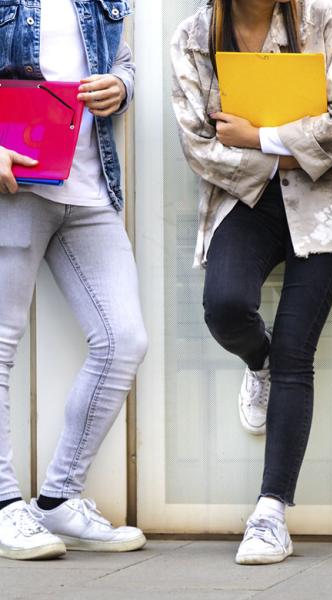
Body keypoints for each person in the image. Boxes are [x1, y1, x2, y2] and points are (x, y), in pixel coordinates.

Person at [171, 0, 332, 566]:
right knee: (224, 306)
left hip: (329, 205)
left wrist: (261, 136)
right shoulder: (195, 35)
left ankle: (270, 514)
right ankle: (257, 361)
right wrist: (284, 153)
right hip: (244, 202)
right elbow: (199, 143)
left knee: (298, 350)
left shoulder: (322, 19)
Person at [0, 0, 147, 561]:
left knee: (123, 340)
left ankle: (58, 497)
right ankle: (5, 506)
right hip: (16, 188)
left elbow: (123, 63)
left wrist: (121, 87)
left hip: (88, 191)